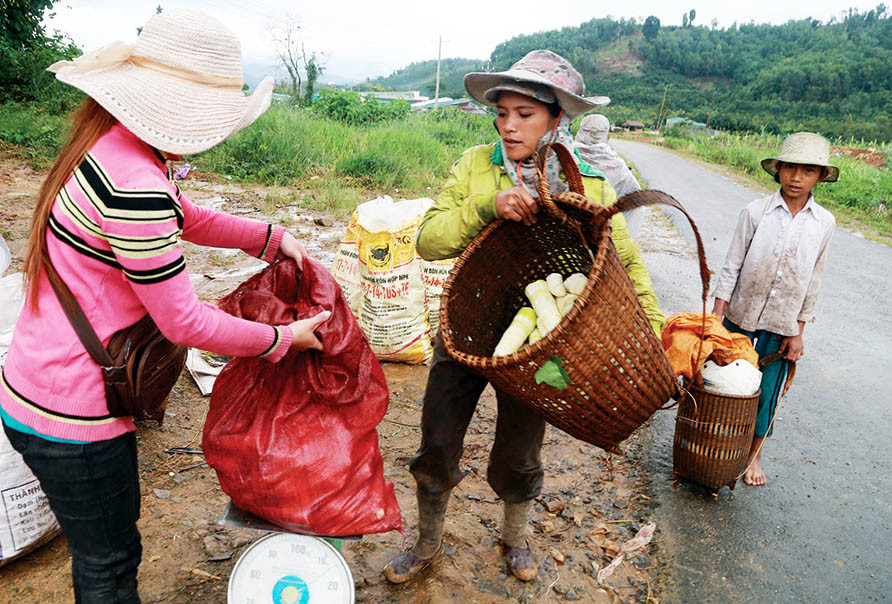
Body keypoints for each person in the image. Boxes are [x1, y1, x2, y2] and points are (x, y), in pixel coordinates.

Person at [0, 9, 329, 602]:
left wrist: (267, 236)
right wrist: (282, 340)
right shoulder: (136, 188)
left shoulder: (110, 145)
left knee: (101, 549)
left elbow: (184, 214)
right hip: (74, 416)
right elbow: (184, 321)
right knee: (109, 560)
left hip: (38, 380)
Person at [383, 50, 665, 584]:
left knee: (521, 447)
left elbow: (625, 262)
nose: (509, 126)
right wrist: (487, 205)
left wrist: (654, 333)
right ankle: (426, 542)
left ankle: (515, 537)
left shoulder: (588, 184)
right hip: (465, 328)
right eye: (502, 113)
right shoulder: (475, 165)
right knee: (438, 439)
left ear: (557, 119)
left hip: (540, 341)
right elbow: (429, 240)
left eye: (525, 115)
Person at [712, 132, 837, 487]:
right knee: (726, 385)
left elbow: (813, 279)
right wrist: (717, 319)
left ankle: (754, 454)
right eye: (790, 168)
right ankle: (717, 444)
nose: (797, 177)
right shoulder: (755, 212)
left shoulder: (824, 222)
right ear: (778, 169)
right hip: (740, 316)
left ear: (820, 176)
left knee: (766, 394)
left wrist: (798, 332)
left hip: (781, 325)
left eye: (808, 170)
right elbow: (732, 265)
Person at [574, 113, 644, 237]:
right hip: (604, 222)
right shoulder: (616, 164)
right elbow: (635, 194)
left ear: (581, 132)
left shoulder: (568, 154)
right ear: (606, 135)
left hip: (572, 216)